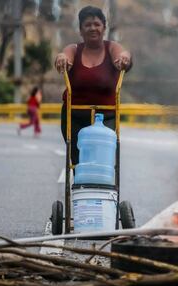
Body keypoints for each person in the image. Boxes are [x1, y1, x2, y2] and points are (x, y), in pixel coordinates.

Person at [55, 6, 132, 166]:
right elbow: (65, 55)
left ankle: (103, 187)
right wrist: (62, 58)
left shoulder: (111, 47)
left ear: (104, 27)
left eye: (97, 24)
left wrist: (124, 58)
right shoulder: (74, 49)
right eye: (87, 25)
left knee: (102, 160)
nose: (92, 28)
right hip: (74, 115)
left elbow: (123, 54)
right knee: (78, 162)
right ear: (81, 30)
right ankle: (79, 187)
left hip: (106, 116)